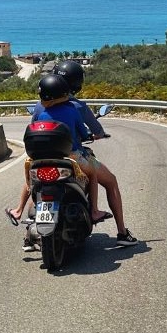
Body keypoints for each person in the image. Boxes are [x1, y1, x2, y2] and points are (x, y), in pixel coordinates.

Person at [35, 60, 137, 247]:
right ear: (76, 83)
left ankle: (28, 234)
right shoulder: (77, 107)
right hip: (74, 157)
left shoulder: (40, 105)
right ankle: (121, 232)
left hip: (43, 157)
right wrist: (97, 135)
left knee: (32, 185)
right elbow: (96, 131)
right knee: (111, 181)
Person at [6, 73, 110, 250]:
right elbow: (84, 135)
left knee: (31, 182)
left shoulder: (38, 109)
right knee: (92, 174)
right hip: (70, 156)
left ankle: (17, 210)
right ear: (64, 93)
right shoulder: (72, 109)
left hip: (39, 157)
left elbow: (33, 126)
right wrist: (90, 136)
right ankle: (94, 211)